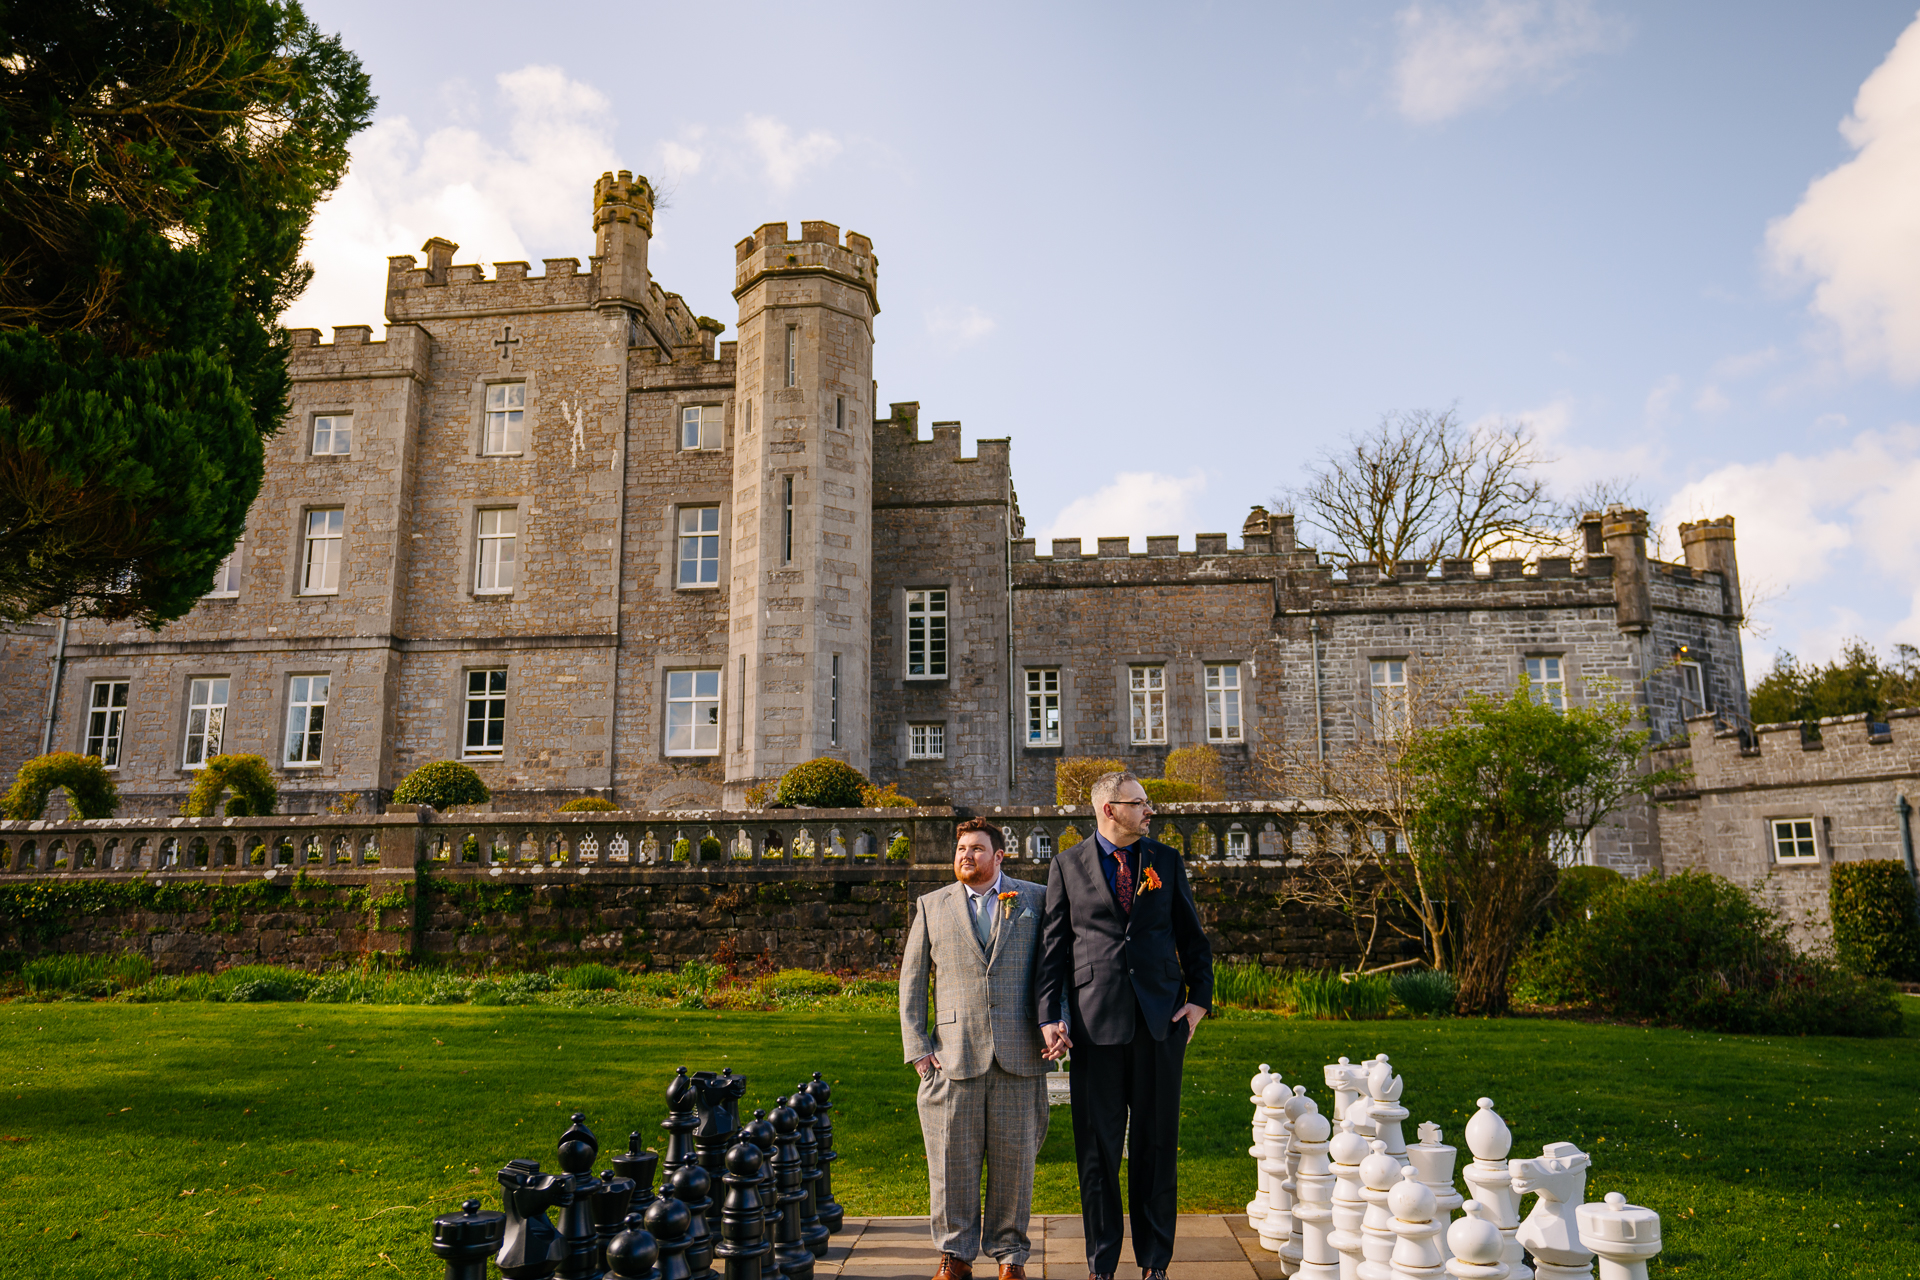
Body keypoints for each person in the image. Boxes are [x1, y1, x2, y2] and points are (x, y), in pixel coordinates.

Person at [1037, 770, 1213, 1280]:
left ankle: (1155, 1261)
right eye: (1139, 804)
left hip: (1161, 1023)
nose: (1149, 811)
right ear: (1109, 810)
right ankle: (1102, 1263)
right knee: (1097, 1150)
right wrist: (1050, 1016)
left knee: (1157, 1146)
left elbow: (1193, 939)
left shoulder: (1165, 861)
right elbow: (1053, 950)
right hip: (1094, 1028)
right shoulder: (1067, 866)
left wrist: (1198, 1001)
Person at [900, 817, 1055, 1280]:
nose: (966, 855)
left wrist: (1056, 1021)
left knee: (1015, 1164)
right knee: (951, 1166)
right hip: (952, 1058)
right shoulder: (932, 905)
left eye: (977, 849)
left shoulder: (1035, 899)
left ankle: (1011, 1258)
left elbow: (1054, 973)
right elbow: (911, 983)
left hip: (1019, 1054)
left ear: (999, 855)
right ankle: (955, 1255)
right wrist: (919, 1050)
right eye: (961, 848)